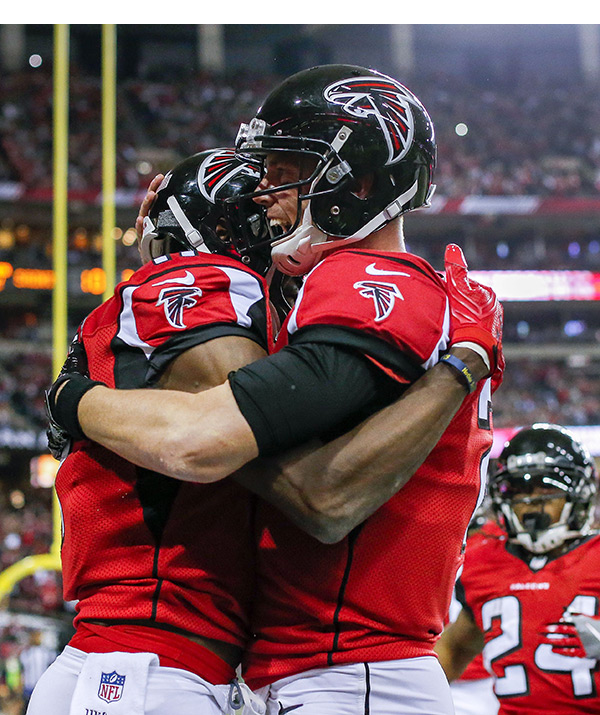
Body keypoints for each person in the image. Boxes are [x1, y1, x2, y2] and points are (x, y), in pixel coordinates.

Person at [46, 64, 504, 714]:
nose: (264, 194)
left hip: (347, 673)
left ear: (358, 183)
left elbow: (303, 486)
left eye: (286, 172)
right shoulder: (336, 288)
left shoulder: (367, 278)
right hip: (312, 670)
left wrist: (73, 400)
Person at [32, 148, 275, 715]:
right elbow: (248, 419)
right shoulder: (203, 281)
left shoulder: (135, 307)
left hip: (123, 657)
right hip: (152, 666)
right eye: (268, 217)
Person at [434, 423, 600, 714]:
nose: (531, 503)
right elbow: (455, 648)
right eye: (520, 490)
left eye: (547, 487)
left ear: (579, 494)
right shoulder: (484, 561)